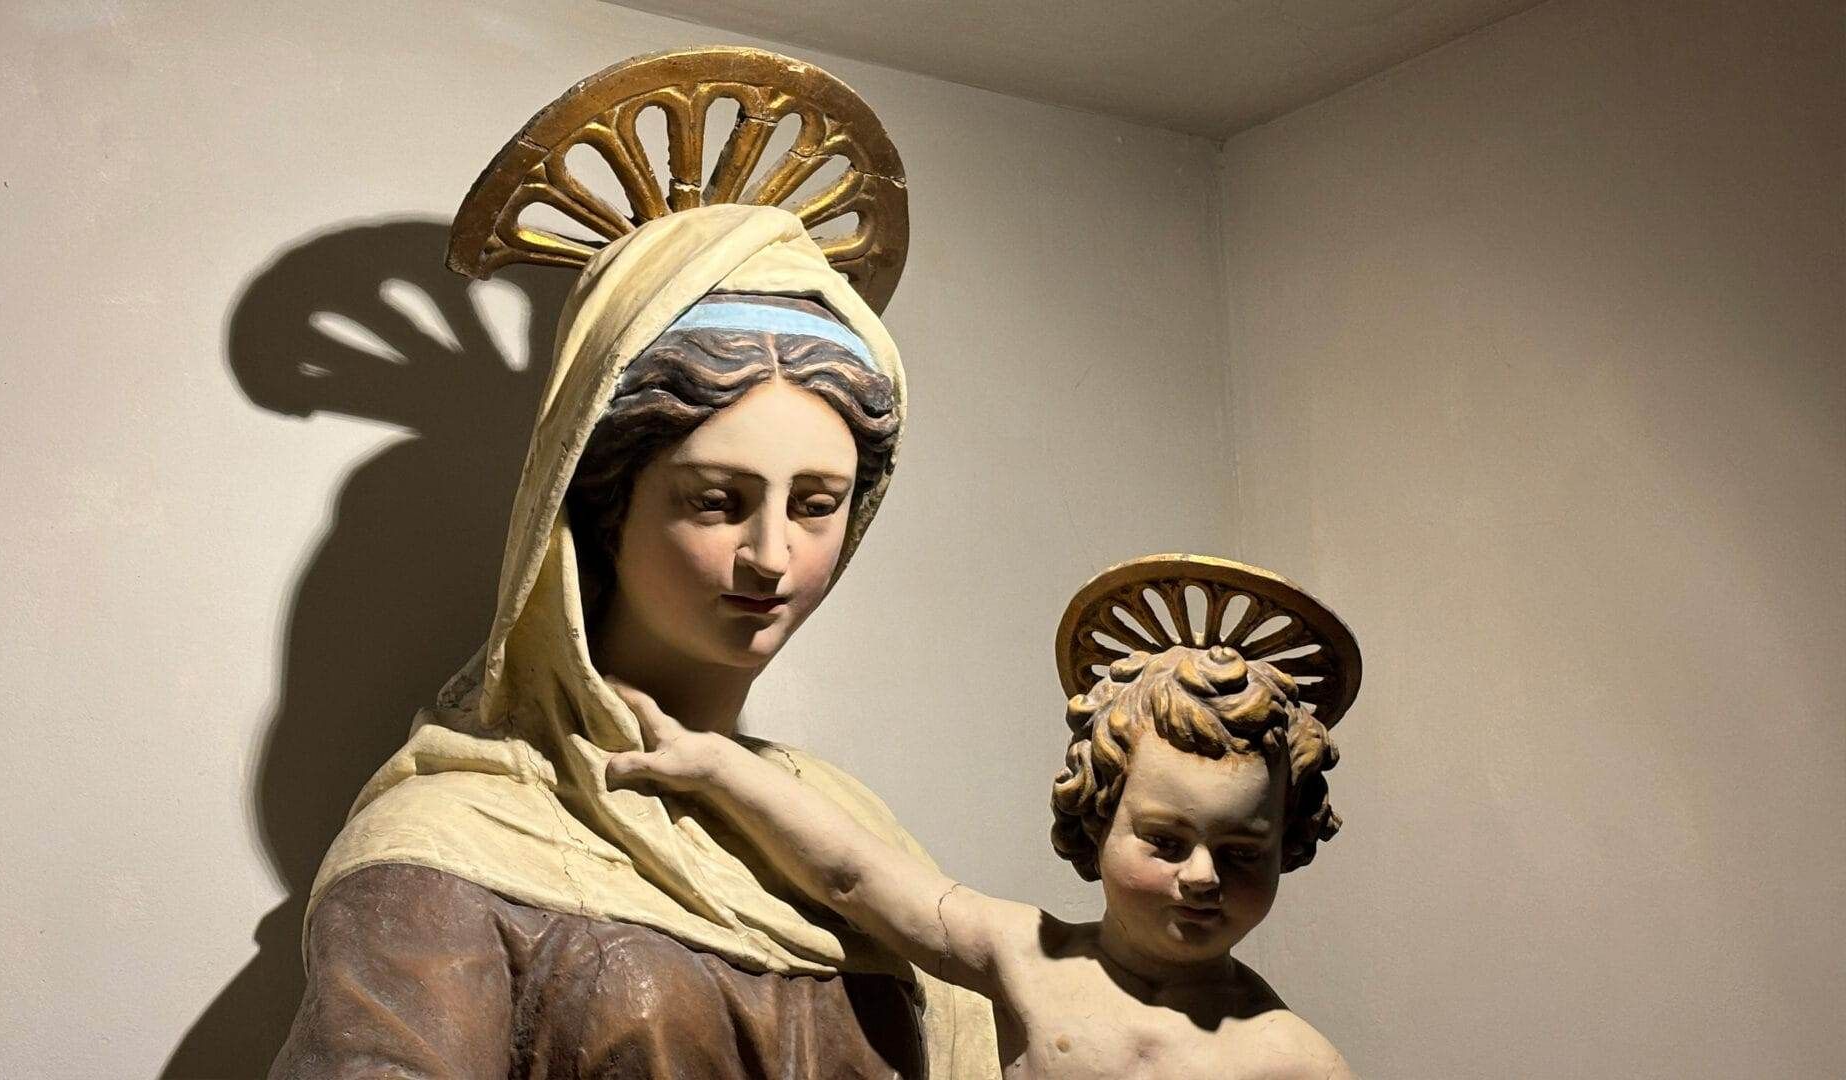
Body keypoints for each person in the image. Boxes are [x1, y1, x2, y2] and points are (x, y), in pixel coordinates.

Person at [271, 204, 997, 1078]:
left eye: (816, 506)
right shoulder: (450, 844)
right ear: (601, 504)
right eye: (716, 500)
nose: (772, 556)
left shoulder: (858, 835)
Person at [607, 635, 1355, 1078]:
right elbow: (855, 874)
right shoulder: (1029, 956)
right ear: (1098, 821)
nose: (1201, 877)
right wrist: (717, 765)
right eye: (1165, 842)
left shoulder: (1290, 1058)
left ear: (1285, 847)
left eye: (1241, 853)